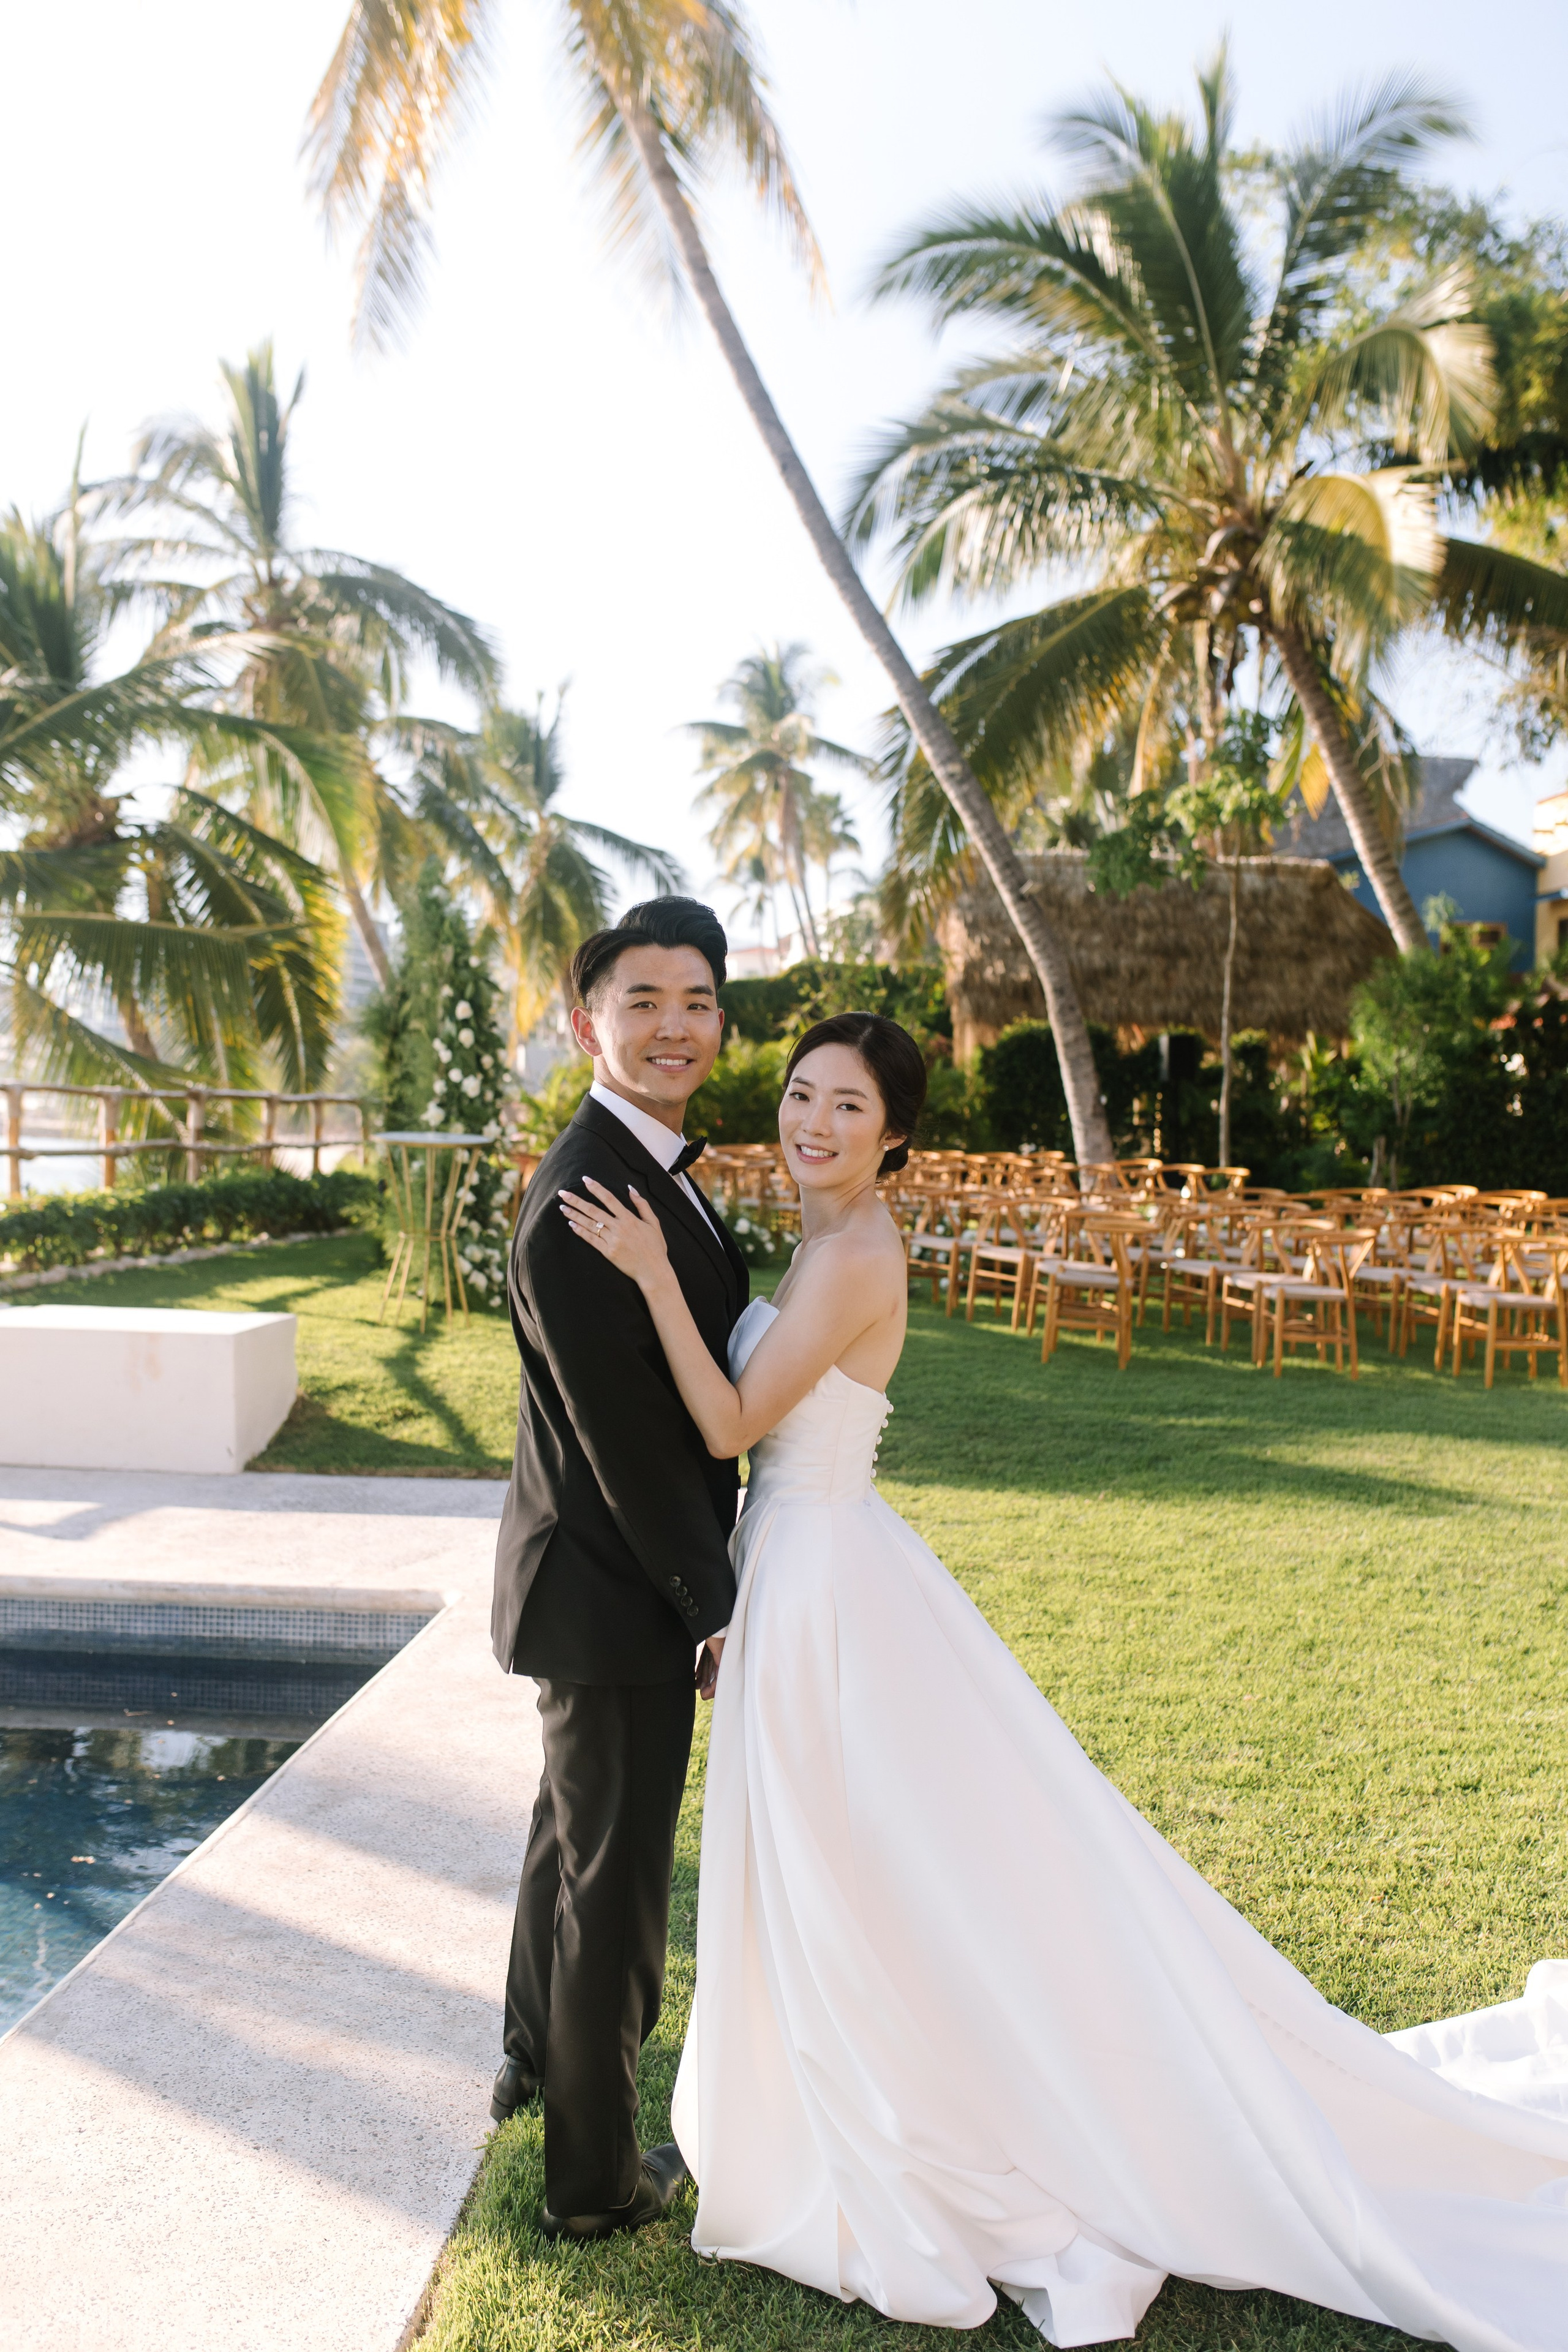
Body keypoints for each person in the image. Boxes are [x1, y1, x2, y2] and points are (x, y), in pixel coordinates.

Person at [558, 1010, 1568, 2350]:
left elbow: (736, 1423)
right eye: (801, 1096)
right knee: (844, 1869)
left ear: (896, 1134)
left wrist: (645, 1278)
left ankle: (909, 2122)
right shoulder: (819, 1239)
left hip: (824, 1577)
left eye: (847, 1108)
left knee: (853, 1868)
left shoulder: (855, 1251)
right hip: (802, 1567)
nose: (813, 1123)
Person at [489, 897, 748, 2242]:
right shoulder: (589, 1196)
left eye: (695, 1000)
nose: (672, 1025)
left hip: (586, 1581)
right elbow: (634, 1448)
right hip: (616, 1591)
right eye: (640, 1001)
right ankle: (593, 2182)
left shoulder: (642, 1165)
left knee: (567, 1840)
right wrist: (712, 1611)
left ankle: (533, 2054)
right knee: (616, 1887)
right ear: (586, 1021)